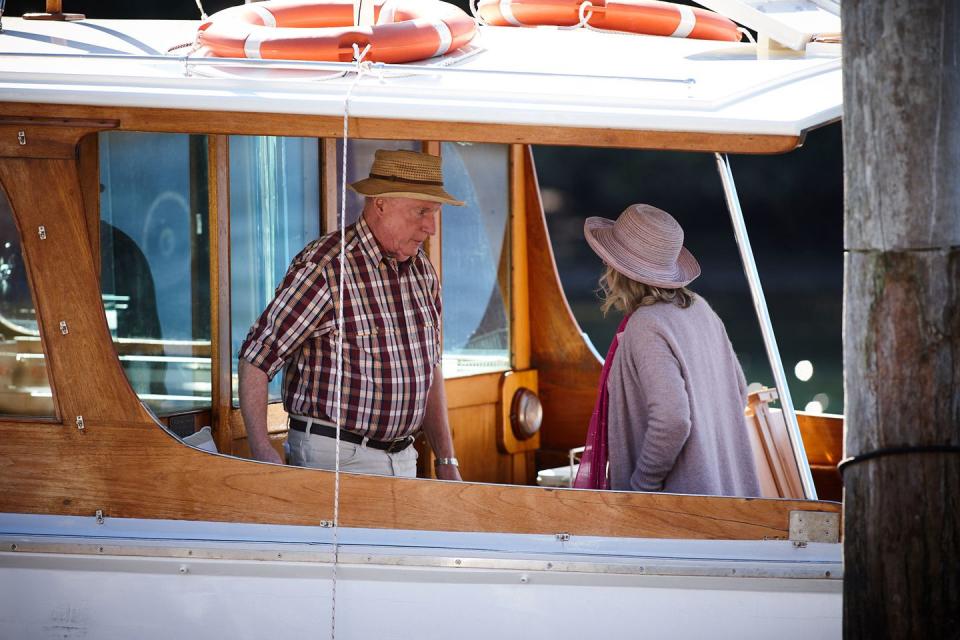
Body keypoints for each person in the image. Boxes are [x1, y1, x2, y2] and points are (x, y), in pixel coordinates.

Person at [238, 149, 462, 481]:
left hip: (404, 457)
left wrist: (446, 459)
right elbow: (257, 358)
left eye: (435, 213)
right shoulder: (327, 267)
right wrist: (261, 450)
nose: (430, 227)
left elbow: (430, 369)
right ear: (381, 204)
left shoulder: (422, 273)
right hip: (336, 458)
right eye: (421, 211)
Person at [574, 203, 760, 496]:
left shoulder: (646, 325)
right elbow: (738, 390)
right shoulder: (701, 309)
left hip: (679, 508)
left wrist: (643, 485)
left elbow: (673, 419)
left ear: (617, 269)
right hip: (725, 494)